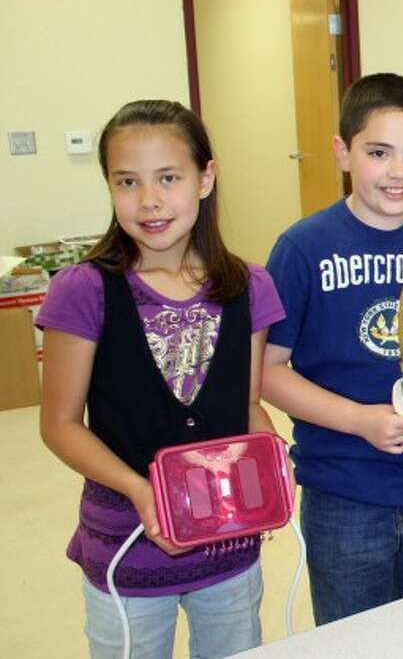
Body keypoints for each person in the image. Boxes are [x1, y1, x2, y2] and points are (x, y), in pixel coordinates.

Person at [38, 99, 285, 657]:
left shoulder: (250, 286)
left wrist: (267, 450)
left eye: (168, 178)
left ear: (206, 177)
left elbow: (245, 403)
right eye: (127, 181)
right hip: (126, 547)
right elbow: (59, 424)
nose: (149, 200)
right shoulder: (84, 290)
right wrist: (137, 489)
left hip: (228, 542)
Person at [261, 73, 403, 625]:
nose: (398, 172)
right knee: (354, 635)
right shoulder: (302, 248)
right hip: (344, 492)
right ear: (343, 151)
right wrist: (359, 420)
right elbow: (266, 371)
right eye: (378, 152)